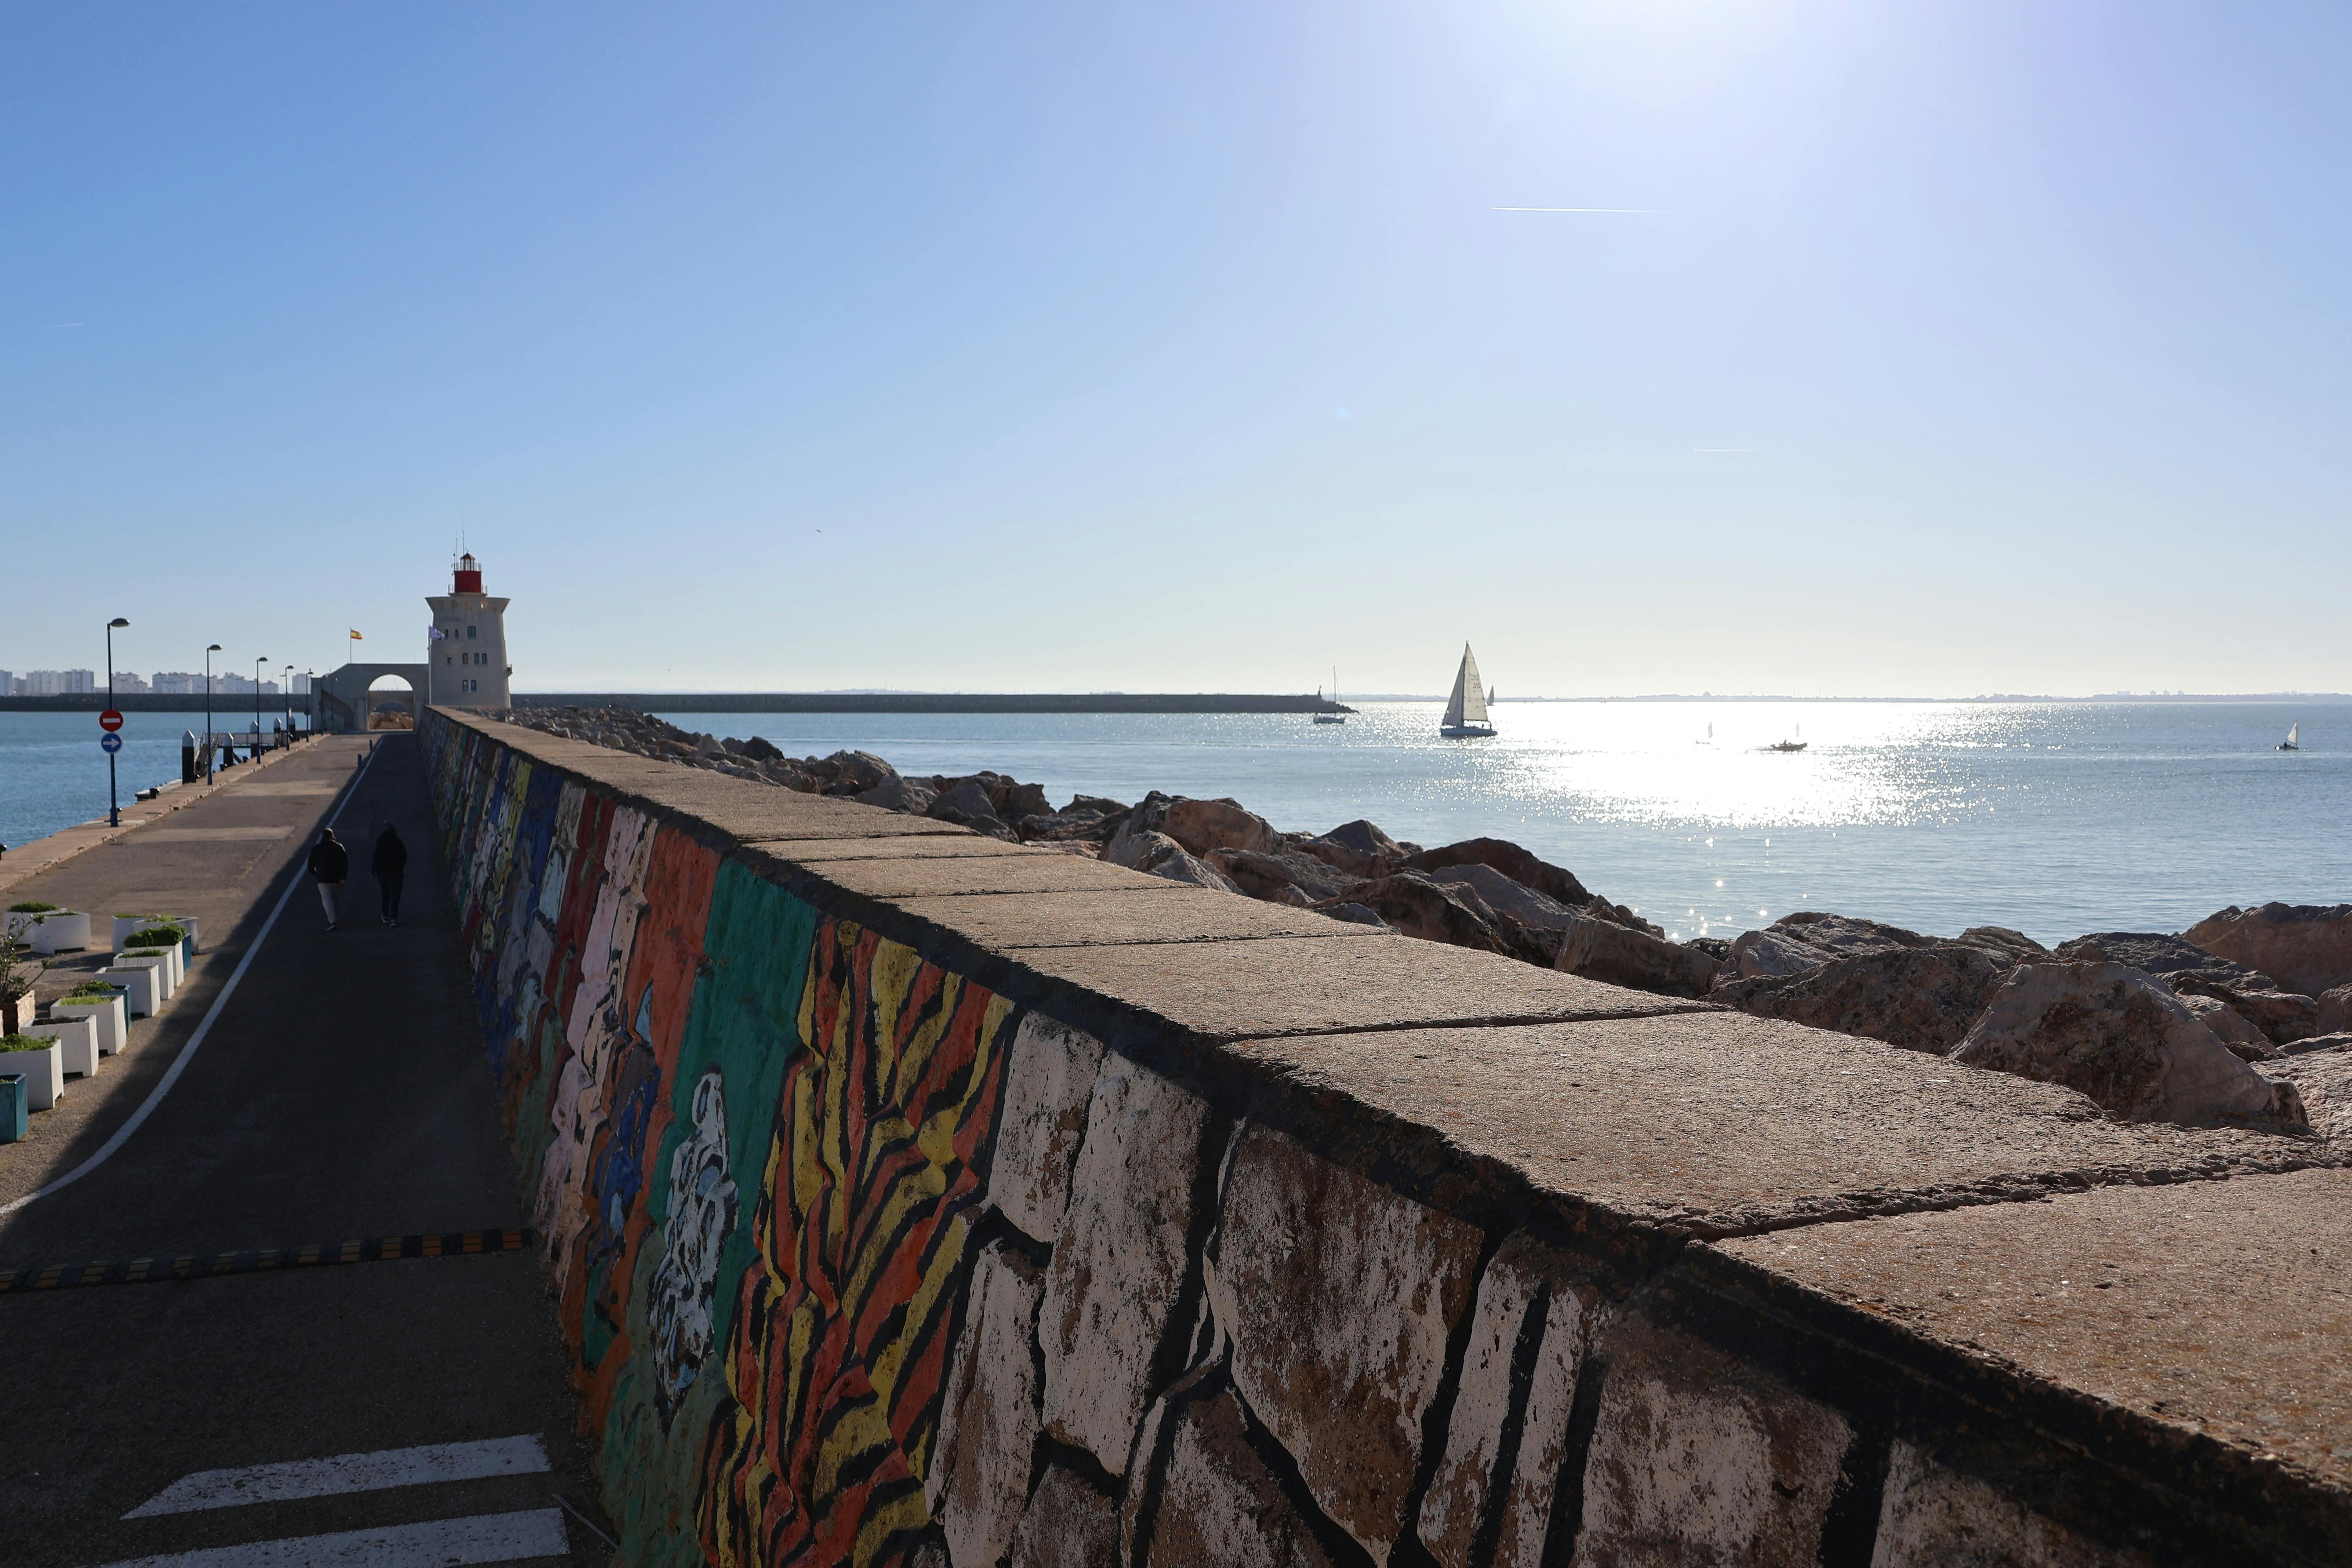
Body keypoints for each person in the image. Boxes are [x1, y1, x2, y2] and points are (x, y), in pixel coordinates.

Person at [309, 827, 349, 932]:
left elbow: (310, 864)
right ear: (332, 836)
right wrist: (343, 877)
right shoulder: (339, 847)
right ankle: (335, 917)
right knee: (334, 899)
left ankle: (333, 921)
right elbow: (345, 864)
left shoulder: (317, 848)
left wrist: (315, 873)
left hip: (323, 878)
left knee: (327, 901)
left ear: (322, 836)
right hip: (336, 878)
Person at [372, 821, 407, 927]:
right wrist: (400, 867)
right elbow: (404, 857)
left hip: (383, 872)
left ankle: (385, 915)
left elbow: (376, 856)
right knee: (395, 895)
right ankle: (393, 918)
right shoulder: (398, 842)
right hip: (396, 872)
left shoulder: (381, 841)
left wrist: (373, 871)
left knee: (385, 894)